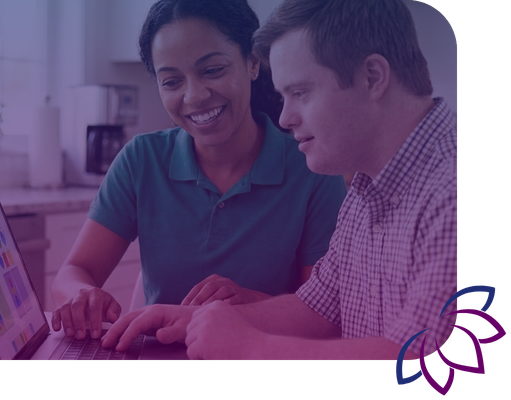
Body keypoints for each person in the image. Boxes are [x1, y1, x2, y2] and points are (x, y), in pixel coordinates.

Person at [100, 0, 458, 361]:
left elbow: (430, 360)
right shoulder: (368, 189)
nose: (284, 118)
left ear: (372, 78)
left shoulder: (448, 193)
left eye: (300, 93)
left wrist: (252, 346)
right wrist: (191, 317)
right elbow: (319, 308)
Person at [51, 0, 346, 341]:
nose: (194, 96)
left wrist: (249, 304)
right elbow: (74, 271)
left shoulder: (310, 168)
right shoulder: (141, 160)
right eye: (172, 81)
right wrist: (80, 295)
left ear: (252, 62)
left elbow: (325, 314)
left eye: (212, 70)